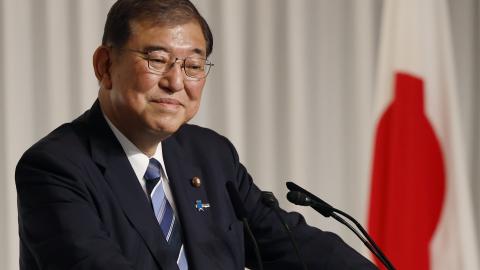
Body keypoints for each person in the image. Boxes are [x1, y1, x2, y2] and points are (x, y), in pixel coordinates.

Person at [15, 0, 378, 269]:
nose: (175, 82)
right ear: (105, 65)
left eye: (192, 65)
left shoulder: (211, 155)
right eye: (156, 60)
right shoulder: (55, 167)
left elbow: (292, 244)